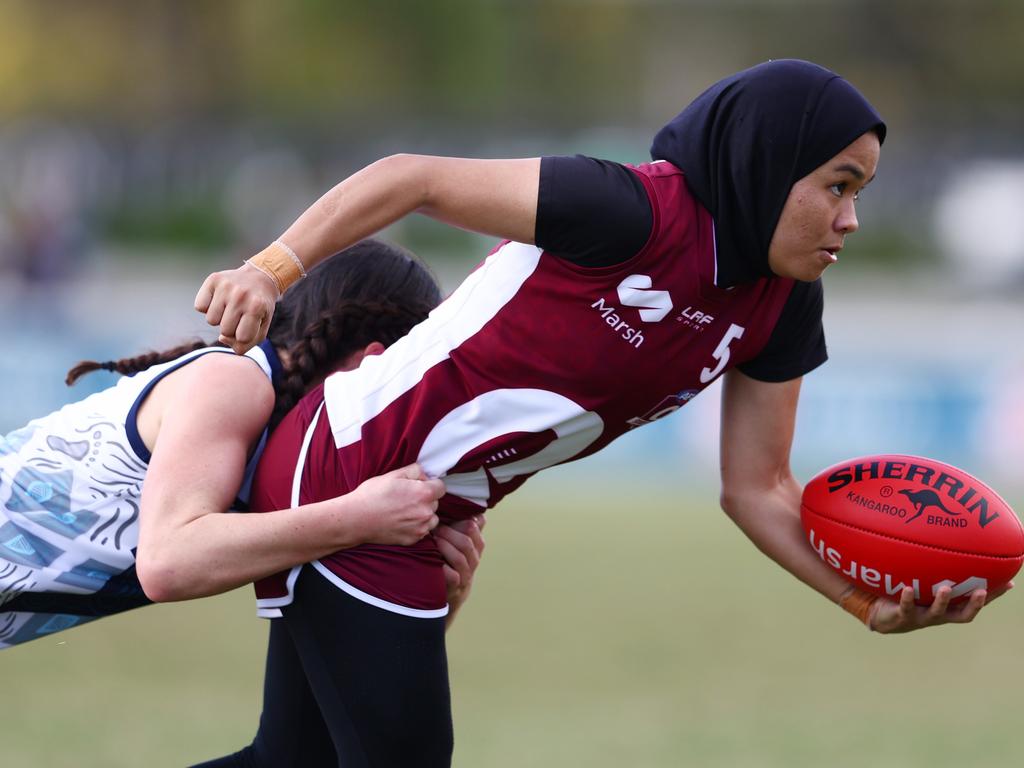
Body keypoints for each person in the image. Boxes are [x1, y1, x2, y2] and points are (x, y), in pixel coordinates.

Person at [193, 60, 1004, 768]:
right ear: (769, 162)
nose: (851, 219)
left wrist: (863, 602)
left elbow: (757, 487)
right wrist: (270, 270)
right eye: (837, 185)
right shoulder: (631, 212)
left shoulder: (783, 304)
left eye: (859, 192)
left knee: (291, 760)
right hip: (354, 469)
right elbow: (413, 176)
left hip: (412, 506)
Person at [0, 239, 485, 650]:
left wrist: (443, 594)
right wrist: (360, 518)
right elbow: (167, 561)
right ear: (371, 361)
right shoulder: (235, 380)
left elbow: (349, 683)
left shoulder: (300, 452)